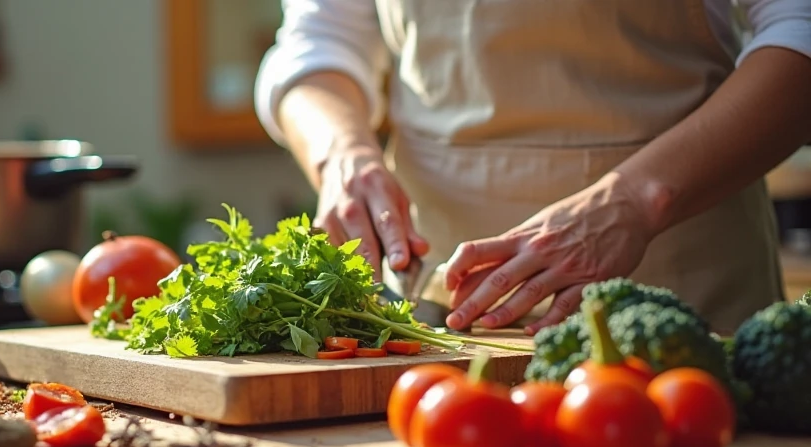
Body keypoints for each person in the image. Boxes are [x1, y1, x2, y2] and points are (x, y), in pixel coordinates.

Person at [254, 0, 811, 335]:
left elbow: (799, 28)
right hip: (439, 310)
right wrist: (342, 154)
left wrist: (639, 198)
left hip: (680, 289)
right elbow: (318, 43)